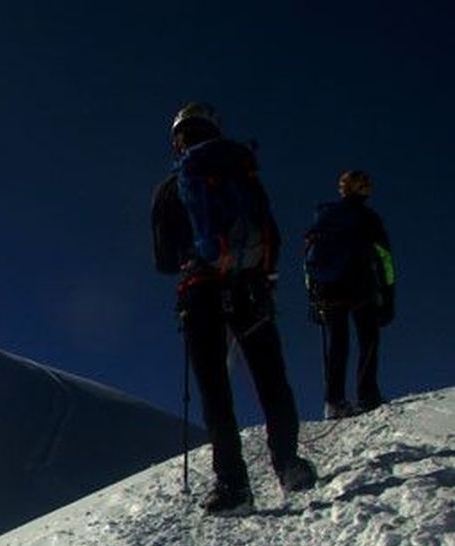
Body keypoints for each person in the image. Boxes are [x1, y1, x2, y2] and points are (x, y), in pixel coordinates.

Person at [152, 102, 317, 513]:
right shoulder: (243, 172)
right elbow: (271, 234)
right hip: (251, 289)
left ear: (178, 138)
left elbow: (164, 260)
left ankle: (233, 486)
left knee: (215, 392)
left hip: (199, 292)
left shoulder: (171, 187)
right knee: (271, 380)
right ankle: (288, 463)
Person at [304, 169, 395, 418]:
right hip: (360, 286)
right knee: (368, 339)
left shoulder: (323, 217)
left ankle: (334, 402)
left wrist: (312, 294)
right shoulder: (368, 218)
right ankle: (368, 395)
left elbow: (309, 259)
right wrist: (388, 295)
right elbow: (384, 259)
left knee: (338, 344)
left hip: (328, 289)